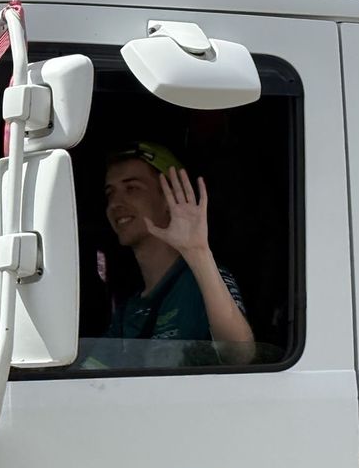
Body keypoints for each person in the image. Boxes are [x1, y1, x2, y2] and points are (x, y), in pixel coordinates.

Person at [102, 142, 256, 364]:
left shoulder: (203, 281)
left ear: (170, 198)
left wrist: (198, 252)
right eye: (110, 193)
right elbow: (93, 376)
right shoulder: (130, 309)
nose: (115, 203)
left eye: (132, 188)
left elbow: (240, 355)